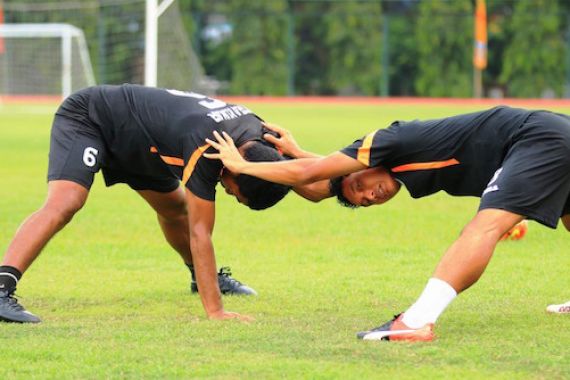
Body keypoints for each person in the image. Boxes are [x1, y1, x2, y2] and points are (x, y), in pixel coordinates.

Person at [205, 105, 570, 341]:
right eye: (363, 201)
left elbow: (315, 175)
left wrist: (242, 166)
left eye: (361, 185)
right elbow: (330, 178)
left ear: (361, 167)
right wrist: (299, 152)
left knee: (483, 228)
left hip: (535, 138)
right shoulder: (394, 165)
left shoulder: (389, 140)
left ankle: (416, 321)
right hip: (553, 133)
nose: (369, 195)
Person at [0, 84, 330, 324]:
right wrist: (215, 311)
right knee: (66, 202)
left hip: (144, 142)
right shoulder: (210, 146)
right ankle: (2, 288)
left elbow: (308, 184)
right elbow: (201, 233)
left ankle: (201, 278)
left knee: (175, 210)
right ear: (234, 170)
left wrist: (350, 175)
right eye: (233, 192)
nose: (227, 193)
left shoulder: (265, 141)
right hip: (92, 118)